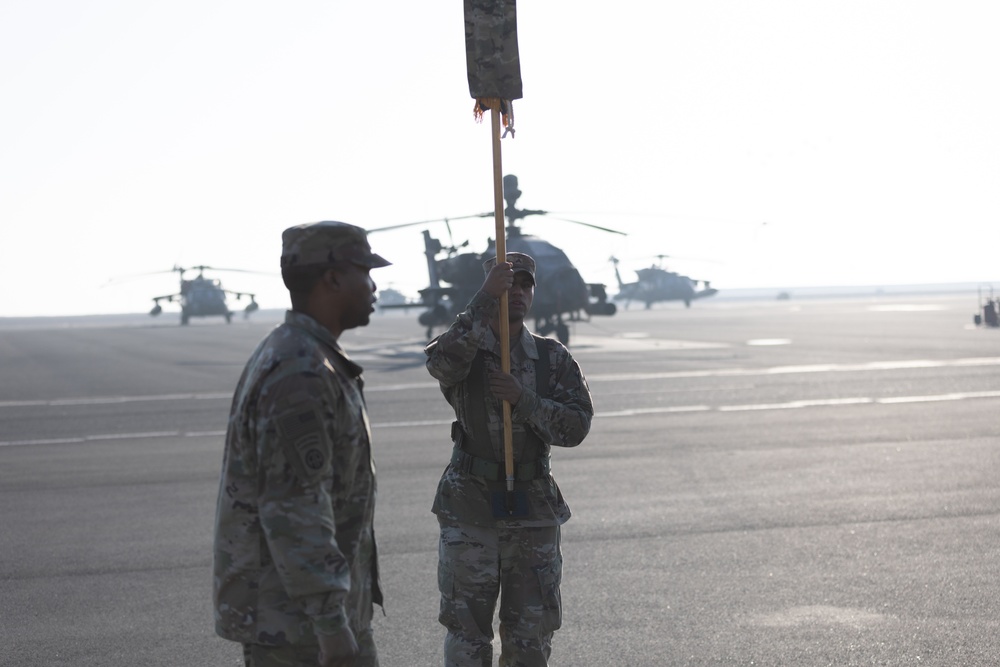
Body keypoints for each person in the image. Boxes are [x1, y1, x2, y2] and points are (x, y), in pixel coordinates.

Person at [213, 221, 390, 667]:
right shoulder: (302, 372)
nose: (373, 285)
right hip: (300, 628)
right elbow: (296, 508)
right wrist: (331, 624)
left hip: (305, 616)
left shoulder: (301, 354)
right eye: (365, 271)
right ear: (332, 278)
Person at [424, 251, 594, 667]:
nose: (516, 291)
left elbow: (575, 427)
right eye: (507, 282)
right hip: (470, 510)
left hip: (532, 510)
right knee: (467, 635)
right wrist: (485, 298)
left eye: (525, 284)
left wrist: (524, 400)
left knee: (530, 636)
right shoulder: (467, 352)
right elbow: (439, 362)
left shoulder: (551, 358)